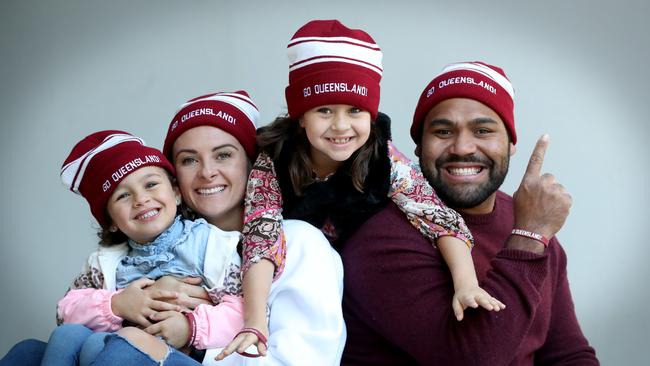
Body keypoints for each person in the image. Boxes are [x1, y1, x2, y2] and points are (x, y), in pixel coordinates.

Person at [220, 19, 504, 359]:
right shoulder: (274, 161)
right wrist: (254, 321)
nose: (340, 126)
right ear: (300, 116)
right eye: (324, 110)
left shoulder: (384, 159)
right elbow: (260, 238)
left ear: (370, 115)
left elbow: (437, 218)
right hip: (284, 280)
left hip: (357, 293)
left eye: (355, 110)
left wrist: (466, 284)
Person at [341, 61, 599, 364]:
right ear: (418, 147)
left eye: (482, 130)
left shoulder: (527, 221)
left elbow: (567, 355)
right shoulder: (380, 236)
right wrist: (530, 235)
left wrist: (530, 231)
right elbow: (473, 358)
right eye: (443, 131)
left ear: (510, 143)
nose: (462, 147)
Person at [89, 91, 346, 365]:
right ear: (173, 181)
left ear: (251, 164)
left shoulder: (298, 242)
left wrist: (192, 341)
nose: (207, 172)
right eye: (189, 160)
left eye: (223, 155)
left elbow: (303, 361)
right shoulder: (138, 252)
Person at [42, 129, 245, 366]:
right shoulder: (107, 263)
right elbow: (64, 312)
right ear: (111, 223)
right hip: (119, 349)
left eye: (150, 184)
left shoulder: (211, 244)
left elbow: (247, 312)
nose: (140, 199)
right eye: (123, 196)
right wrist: (117, 305)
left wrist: (191, 327)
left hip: (184, 356)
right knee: (65, 336)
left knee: (103, 344)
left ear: (177, 193)